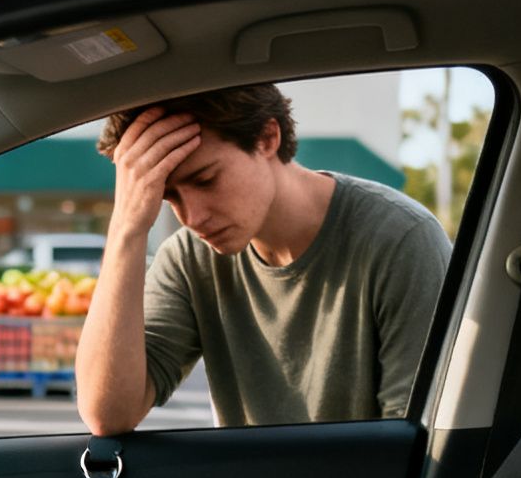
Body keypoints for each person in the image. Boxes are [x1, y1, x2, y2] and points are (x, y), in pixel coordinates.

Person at [74, 84, 450, 433]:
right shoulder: (189, 259)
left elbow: (416, 445)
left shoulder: (400, 239)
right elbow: (109, 415)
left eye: (206, 180)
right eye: (169, 198)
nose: (192, 218)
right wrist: (126, 227)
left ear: (268, 138)